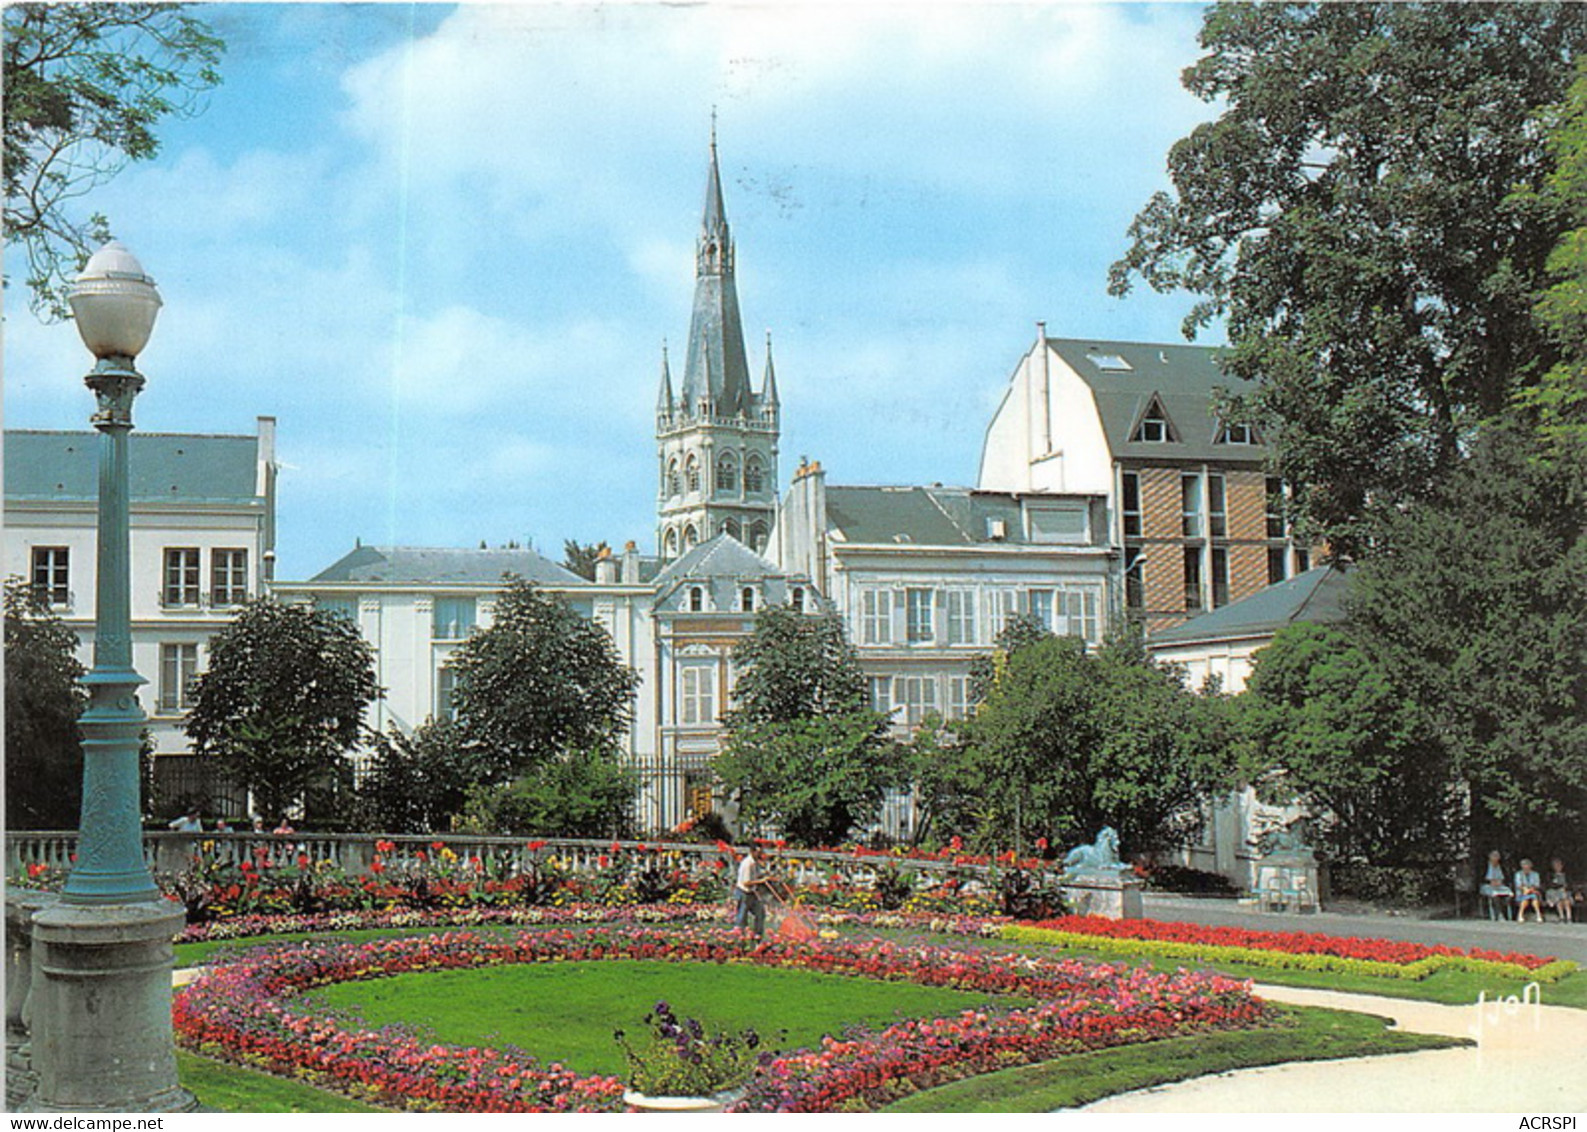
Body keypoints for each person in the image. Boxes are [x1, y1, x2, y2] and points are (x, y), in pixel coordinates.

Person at [732, 844, 768, 938]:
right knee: (742, 917)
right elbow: (746, 882)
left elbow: (756, 875)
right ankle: (739, 937)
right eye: (758, 852)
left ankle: (758, 935)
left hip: (752, 892)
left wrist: (764, 876)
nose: (760, 854)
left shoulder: (755, 862)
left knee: (760, 912)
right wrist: (761, 881)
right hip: (744, 892)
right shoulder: (747, 864)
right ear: (752, 852)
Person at [1479, 850, 1513, 920]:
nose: (1495, 858)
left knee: (1509, 894)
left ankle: (1505, 913)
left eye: (1497, 856)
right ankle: (1499, 914)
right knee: (1495, 896)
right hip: (1487, 886)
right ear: (1490, 857)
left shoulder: (1502, 867)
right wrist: (1489, 881)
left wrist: (1501, 882)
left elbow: (1507, 878)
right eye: (1493, 856)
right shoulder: (1484, 866)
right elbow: (1479, 878)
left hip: (1500, 885)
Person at [1514, 858, 1544, 923]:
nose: (1526, 867)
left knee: (1534, 898)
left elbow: (1537, 885)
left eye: (1527, 865)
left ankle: (1538, 915)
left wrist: (1530, 890)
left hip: (1533, 892)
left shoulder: (1535, 874)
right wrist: (1525, 889)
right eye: (1524, 865)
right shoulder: (1518, 874)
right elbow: (1518, 885)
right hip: (1522, 892)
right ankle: (1520, 915)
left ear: (1530, 866)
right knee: (1525, 899)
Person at [1545, 858, 1574, 924]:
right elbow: (1550, 885)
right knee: (1559, 900)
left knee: (1566, 900)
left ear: (1562, 866)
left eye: (1559, 865)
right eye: (1555, 865)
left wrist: (1565, 887)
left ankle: (1569, 917)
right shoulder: (1550, 875)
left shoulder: (1566, 875)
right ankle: (1562, 917)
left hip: (1565, 893)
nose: (1557, 867)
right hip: (1555, 893)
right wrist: (1561, 886)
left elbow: (1570, 885)